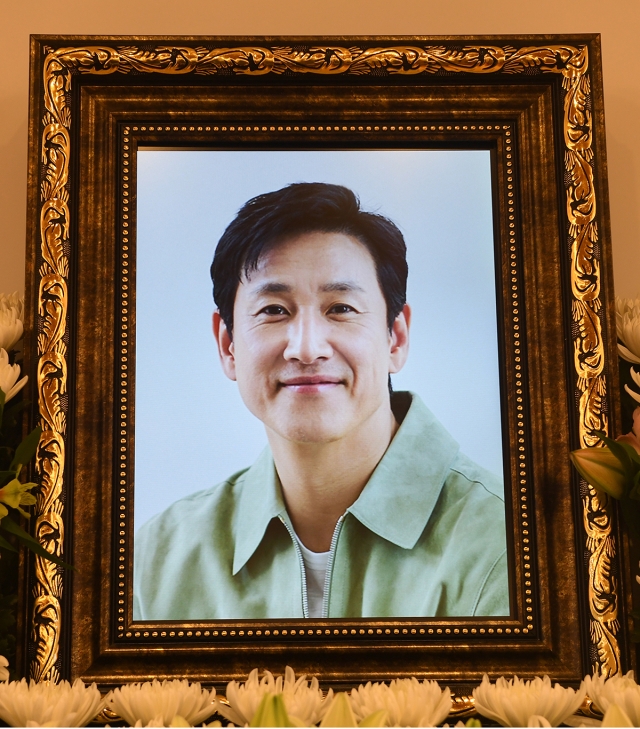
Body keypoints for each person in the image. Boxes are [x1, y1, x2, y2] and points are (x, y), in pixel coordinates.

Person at [133, 182, 509, 620]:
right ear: (227, 345)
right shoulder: (158, 562)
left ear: (396, 338)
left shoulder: (507, 544)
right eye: (274, 310)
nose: (306, 349)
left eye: (341, 308)